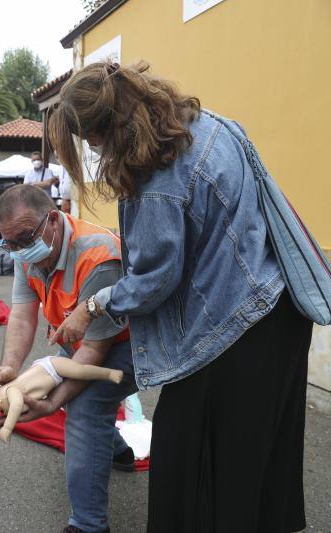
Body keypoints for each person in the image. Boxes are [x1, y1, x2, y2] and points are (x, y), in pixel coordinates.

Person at [50, 61, 314, 533]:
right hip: (279, 312)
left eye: (89, 138)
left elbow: (153, 280)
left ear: (103, 128)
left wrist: (89, 308)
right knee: (254, 467)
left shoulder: (155, 176)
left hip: (236, 328)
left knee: (187, 471)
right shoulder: (204, 124)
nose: (91, 148)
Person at [0, 184, 136, 533]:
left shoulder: (98, 256)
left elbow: (94, 352)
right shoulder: (27, 250)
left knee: (85, 407)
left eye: (25, 238)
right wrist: (10, 369)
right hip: (79, 342)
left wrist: (54, 403)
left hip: (126, 345)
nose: (18, 249)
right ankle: (119, 452)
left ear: (53, 219)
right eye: (10, 243)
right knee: (48, 386)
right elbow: (21, 314)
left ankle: (89, 526)